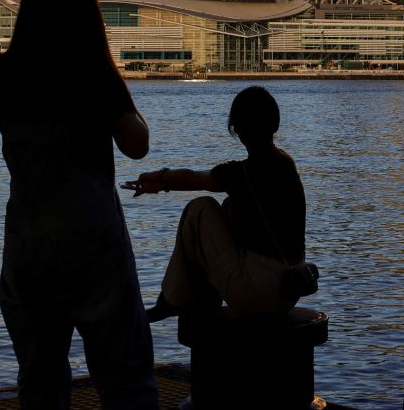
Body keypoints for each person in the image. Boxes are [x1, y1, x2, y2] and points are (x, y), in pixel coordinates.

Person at [0, 0, 157, 409]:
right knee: (125, 377)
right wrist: (112, 79)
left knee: (40, 379)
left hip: (28, 241)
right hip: (93, 238)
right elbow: (137, 145)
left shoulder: (0, 77)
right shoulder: (92, 75)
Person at [126, 86, 306, 321]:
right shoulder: (285, 163)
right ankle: (191, 297)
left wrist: (159, 179)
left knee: (200, 209)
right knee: (229, 207)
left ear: (236, 129)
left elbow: (192, 178)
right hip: (288, 289)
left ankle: (171, 300)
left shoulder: (242, 173)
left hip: (256, 291)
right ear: (275, 124)